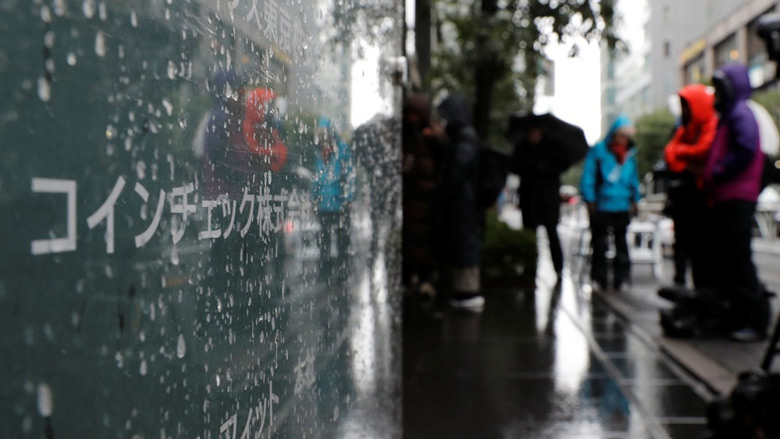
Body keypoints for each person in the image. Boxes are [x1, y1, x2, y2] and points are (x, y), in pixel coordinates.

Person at [702, 63, 768, 342]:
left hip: (736, 196)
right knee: (731, 259)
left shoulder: (741, 113)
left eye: (719, 89)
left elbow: (745, 148)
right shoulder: (731, 115)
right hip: (728, 196)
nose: (716, 95)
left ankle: (755, 320)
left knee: (739, 259)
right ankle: (737, 316)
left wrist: (718, 171)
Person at [663, 84, 717, 288]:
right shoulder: (684, 128)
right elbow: (669, 155)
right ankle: (681, 283)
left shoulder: (711, 124)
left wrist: (681, 153)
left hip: (701, 197)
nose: (684, 110)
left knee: (699, 245)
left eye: (686, 105)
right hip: (683, 197)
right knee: (681, 242)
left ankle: (700, 288)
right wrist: (688, 163)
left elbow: (703, 150)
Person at [580, 115, 640, 292]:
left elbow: (633, 179)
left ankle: (621, 277)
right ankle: (599, 277)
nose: (623, 139)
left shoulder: (629, 155)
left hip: (621, 205)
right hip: (601, 205)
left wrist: (636, 199)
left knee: (621, 243)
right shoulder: (599, 152)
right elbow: (589, 176)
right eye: (621, 135)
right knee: (599, 243)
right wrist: (590, 198)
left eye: (626, 136)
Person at [435, 95, 483, 310]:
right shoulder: (461, 136)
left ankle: (468, 292)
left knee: (465, 244)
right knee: (461, 242)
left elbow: (457, 166)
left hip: (464, 201)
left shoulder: (465, 136)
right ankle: (463, 291)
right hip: (461, 201)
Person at [511, 123, 568, 281]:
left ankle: (559, 268)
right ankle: (530, 269)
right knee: (530, 236)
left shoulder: (554, 147)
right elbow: (515, 166)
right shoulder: (522, 148)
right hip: (529, 199)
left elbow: (561, 165)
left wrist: (544, 167)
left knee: (552, 234)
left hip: (549, 200)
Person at [401, 94, 440, 298]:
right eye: (410, 114)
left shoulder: (433, 135)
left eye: (417, 114)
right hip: (409, 198)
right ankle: (408, 279)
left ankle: (426, 279)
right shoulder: (403, 136)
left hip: (427, 199)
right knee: (408, 240)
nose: (413, 119)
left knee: (426, 242)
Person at [312, 117, 355, 282]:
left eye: (325, 134)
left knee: (342, 240)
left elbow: (350, 174)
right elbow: (317, 177)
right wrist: (314, 197)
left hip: (340, 204)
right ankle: (325, 271)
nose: (323, 137)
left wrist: (349, 198)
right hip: (324, 204)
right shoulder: (320, 152)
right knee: (324, 241)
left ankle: (343, 272)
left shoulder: (342, 149)